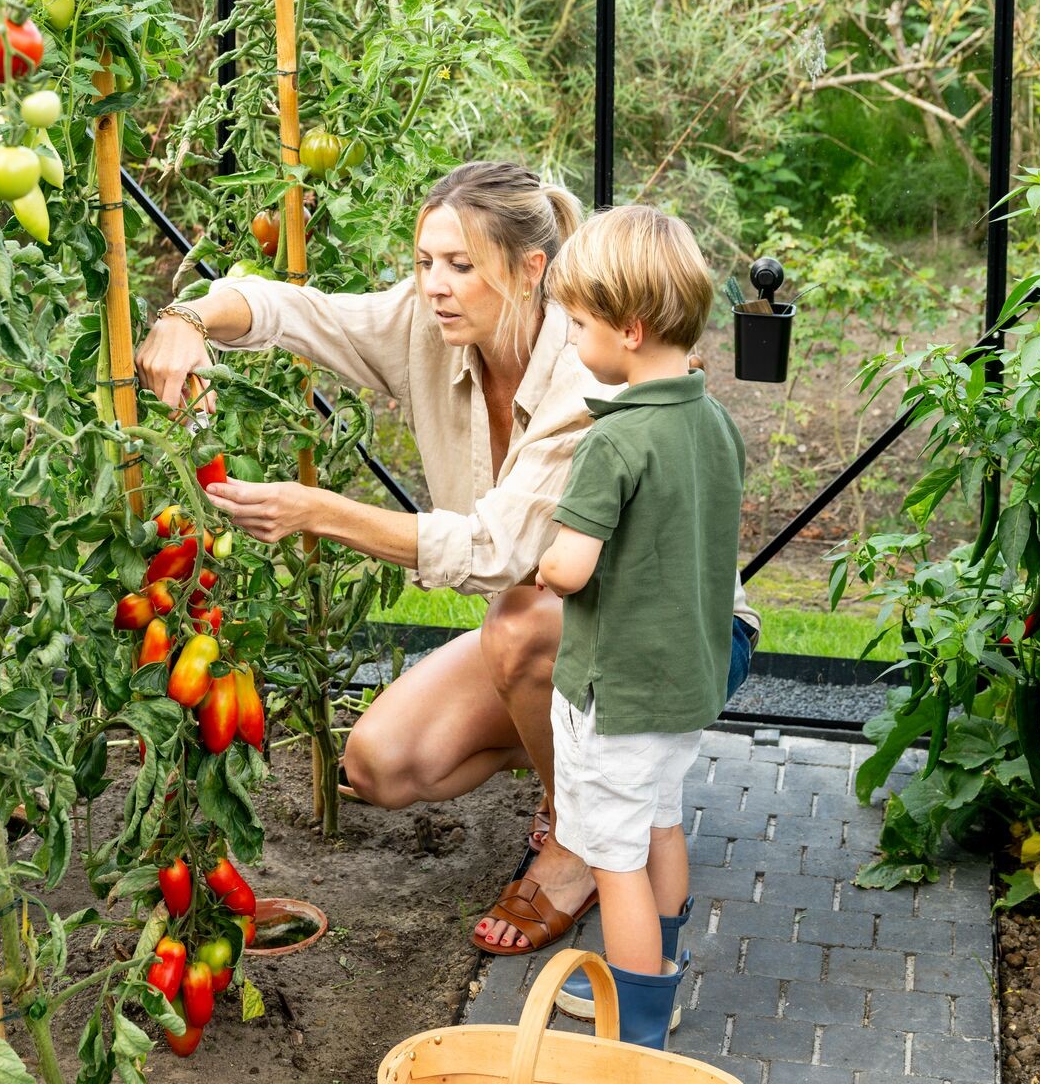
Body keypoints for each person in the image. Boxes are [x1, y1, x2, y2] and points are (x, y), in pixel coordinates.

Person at [133, 162, 759, 953]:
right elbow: (295, 310)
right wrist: (190, 316)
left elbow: (501, 555)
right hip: (565, 638)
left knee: (522, 620)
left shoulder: (590, 374)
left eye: (461, 265)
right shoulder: (426, 324)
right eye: (425, 261)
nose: (434, 285)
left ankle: (575, 840)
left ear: (534, 270)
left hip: (673, 641)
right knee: (381, 764)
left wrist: (319, 513)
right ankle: (570, 766)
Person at [531, 205, 746, 1050]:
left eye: (578, 324)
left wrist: (547, 554)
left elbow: (569, 569)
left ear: (627, 329)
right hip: (684, 684)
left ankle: (636, 1039)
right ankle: (660, 975)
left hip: (614, 693)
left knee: (614, 861)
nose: (572, 338)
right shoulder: (714, 424)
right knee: (661, 823)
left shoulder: (613, 444)